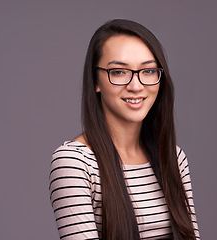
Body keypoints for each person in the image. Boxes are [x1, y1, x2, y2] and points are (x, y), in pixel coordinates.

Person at [49, 19, 200, 240]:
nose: (136, 86)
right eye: (119, 72)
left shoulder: (174, 158)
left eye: (148, 71)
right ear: (95, 82)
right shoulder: (75, 162)